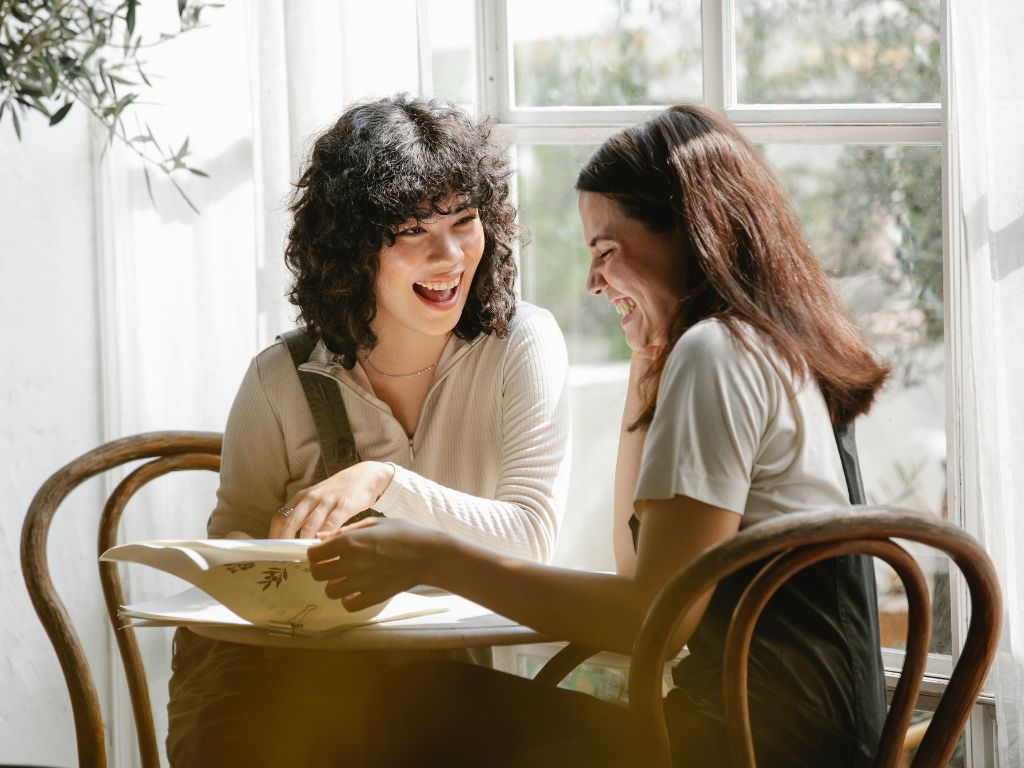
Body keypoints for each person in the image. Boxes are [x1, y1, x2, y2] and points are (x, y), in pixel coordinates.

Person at [308, 104, 891, 768]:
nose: (591, 282)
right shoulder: (763, 344)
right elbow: (637, 573)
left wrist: (433, 558)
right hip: (810, 740)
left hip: (747, 747)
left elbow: (652, 621)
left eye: (606, 252)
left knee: (408, 707)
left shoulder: (717, 353)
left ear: (691, 235)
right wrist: (646, 363)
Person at [165, 94, 571, 767]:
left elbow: (532, 542)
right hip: (293, 694)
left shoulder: (522, 344)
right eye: (411, 231)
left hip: (447, 694)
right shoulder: (279, 377)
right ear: (351, 250)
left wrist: (383, 482)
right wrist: (262, 558)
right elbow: (234, 536)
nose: (450, 256)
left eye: (465, 221)